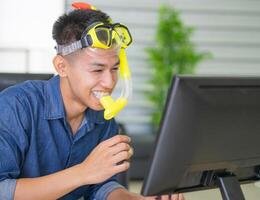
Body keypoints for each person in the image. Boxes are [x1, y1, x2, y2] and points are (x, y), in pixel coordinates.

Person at [0, 2, 184, 200]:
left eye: (114, 69)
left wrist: (138, 199)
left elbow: (102, 187)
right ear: (62, 66)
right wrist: (83, 172)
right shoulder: (16, 106)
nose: (109, 82)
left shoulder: (104, 120)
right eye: (97, 70)